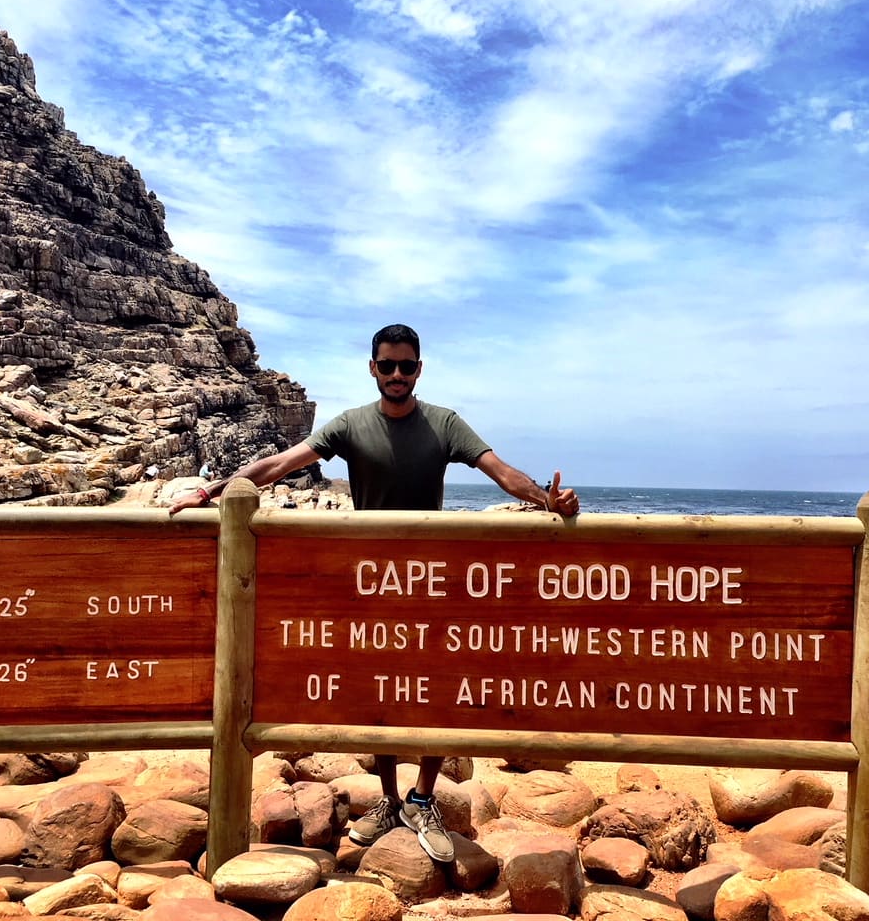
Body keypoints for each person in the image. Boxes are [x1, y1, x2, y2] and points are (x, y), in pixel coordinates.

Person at [170, 323, 579, 862]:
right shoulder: (350, 426)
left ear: (419, 369)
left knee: (432, 696)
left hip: (430, 584)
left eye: (406, 366)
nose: (396, 375)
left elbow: (502, 473)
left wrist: (547, 500)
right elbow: (277, 466)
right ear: (372, 368)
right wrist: (213, 491)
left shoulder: (445, 424)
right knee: (380, 696)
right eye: (387, 365)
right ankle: (388, 800)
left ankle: (424, 798)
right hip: (369, 585)